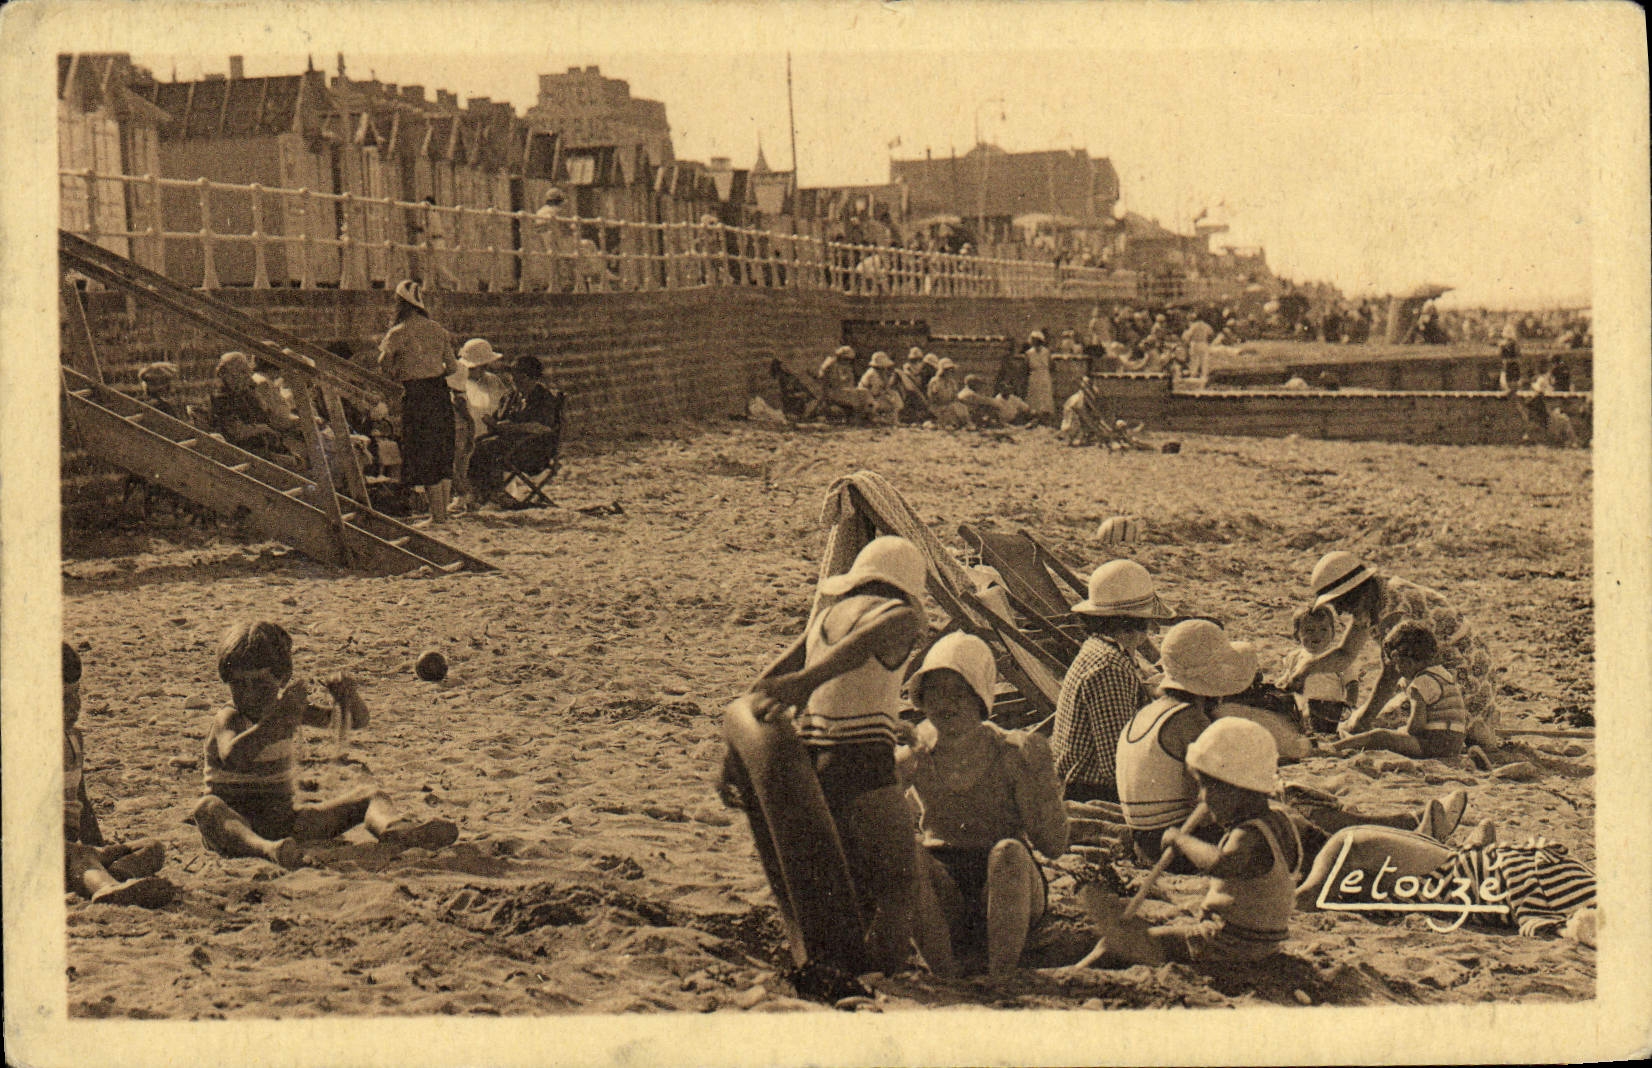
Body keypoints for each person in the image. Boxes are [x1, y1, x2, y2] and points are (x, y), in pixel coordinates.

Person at [740, 536, 930, 974]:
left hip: (817, 768)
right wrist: (808, 683)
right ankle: (889, 978)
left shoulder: (826, 618)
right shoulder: (899, 616)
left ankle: (846, 968)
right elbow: (871, 640)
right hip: (864, 763)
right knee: (899, 884)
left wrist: (738, 753)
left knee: (852, 881)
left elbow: (762, 686)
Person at [190, 621, 459, 870]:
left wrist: (347, 699)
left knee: (369, 796)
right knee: (207, 808)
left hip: (284, 822)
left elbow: (353, 722)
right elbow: (234, 755)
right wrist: (280, 719)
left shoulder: (288, 710)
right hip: (236, 822)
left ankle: (397, 830)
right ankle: (267, 850)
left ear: (281, 679)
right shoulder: (231, 717)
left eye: (259, 683)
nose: (248, 693)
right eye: (239, 684)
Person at [899, 634, 1069, 977]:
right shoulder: (914, 754)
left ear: (979, 698)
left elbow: (1053, 846)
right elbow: (875, 822)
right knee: (908, 853)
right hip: (947, 891)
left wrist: (1042, 783)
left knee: (1007, 852)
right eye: (935, 690)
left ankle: (1000, 977)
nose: (946, 702)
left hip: (1010, 887)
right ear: (921, 698)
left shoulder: (1009, 752)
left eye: (958, 692)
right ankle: (945, 975)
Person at [1085, 719, 1302, 967]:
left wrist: (1181, 840)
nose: (1200, 797)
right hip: (1262, 941)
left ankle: (1070, 977)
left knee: (1119, 945)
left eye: (1206, 787)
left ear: (1235, 789)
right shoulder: (1277, 821)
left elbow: (1220, 864)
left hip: (1229, 942)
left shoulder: (1247, 835)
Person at [1307, 551, 1500, 749]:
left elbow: (1391, 674)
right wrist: (1303, 672)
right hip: (1462, 672)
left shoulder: (1393, 609)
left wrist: (1363, 721)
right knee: (1358, 723)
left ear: (1357, 593)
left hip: (1461, 676)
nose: (1340, 611)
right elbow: (1345, 653)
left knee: (1379, 727)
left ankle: (1471, 726)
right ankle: (1475, 724)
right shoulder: (1377, 597)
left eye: (1340, 603)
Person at [1115, 619, 1258, 872]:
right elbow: (1210, 805)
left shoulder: (1146, 714)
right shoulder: (1190, 720)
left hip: (1143, 842)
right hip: (1175, 850)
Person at [62, 643, 175, 907]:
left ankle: (104, 876)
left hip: (70, 847)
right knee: (81, 855)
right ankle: (105, 887)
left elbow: (82, 801)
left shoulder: (75, 739)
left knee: (151, 849)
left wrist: (98, 846)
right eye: (63, 698)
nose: (75, 704)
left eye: (77, 693)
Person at [1052, 560, 1173, 804]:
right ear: (1136, 625)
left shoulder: (1102, 648)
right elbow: (1117, 764)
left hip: (1082, 783)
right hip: (1090, 792)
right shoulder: (1110, 668)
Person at [1321, 622, 1467, 760]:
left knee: (1380, 736)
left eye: (1396, 665)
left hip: (1433, 743)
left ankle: (1332, 748)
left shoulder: (1420, 683)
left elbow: (1416, 727)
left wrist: (1401, 733)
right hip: (1455, 742)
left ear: (1405, 662)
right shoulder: (1442, 674)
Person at [378, 280, 460, 525]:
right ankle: (442, 513)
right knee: (442, 449)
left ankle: (438, 517)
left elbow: (383, 363)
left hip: (416, 394)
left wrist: (401, 373)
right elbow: (453, 367)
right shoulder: (437, 329)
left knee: (424, 450)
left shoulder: (399, 331)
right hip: (439, 392)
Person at [467, 356, 562, 506]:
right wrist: (492, 423)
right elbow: (498, 419)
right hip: (511, 446)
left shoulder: (543, 398)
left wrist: (510, 427)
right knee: (471, 448)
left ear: (531, 377)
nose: (513, 379)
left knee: (487, 449)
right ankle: (482, 494)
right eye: (513, 375)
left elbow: (542, 428)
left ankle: (495, 493)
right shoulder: (511, 396)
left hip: (534, 450)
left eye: (518, 375)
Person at [1274, 604, 1360, 735]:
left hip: (1330, 710)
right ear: (1297, 635)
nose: (1317, 635)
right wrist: (1280, 684)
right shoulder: (1295, 657)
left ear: (1333, 633)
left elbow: (1351, 683)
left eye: (1324, 629)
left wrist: (1350, 704)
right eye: (1309, 630)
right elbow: (1288, 678)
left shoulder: (1337, 658)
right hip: (1302, 710)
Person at [447, 338, 511, 507]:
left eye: (484, 367)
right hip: (462, 431)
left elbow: (504, 402)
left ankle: (484, 493)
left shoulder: (492, 380)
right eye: (478, 367)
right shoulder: (455, 382)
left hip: (487, 431)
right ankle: (464, 493)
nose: (481, 371)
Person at [209, 351, 297, 463]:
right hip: (244, 452)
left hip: (264, 445)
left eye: (247, 371)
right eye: (241, 372)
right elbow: (236, 431)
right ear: (225, 374)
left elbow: (264, 416)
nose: (247, 376)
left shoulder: (245, 392)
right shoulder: (221, 398)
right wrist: (262, 429)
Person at [857, 351, 904, 426]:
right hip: (867, 399)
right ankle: (875, 418)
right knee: (885, 401)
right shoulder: (872, 374)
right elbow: (875, 392)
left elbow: (886, 388)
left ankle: (893, 419)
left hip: (876, 397)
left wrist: (890, 393)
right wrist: (887, 396)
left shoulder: (881, 374)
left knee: (895, 395)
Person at [925, 358, 969, 429]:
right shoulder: (935, 382)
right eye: (947, 370)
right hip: (937, 407)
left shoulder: (952, 382)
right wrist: (946, 406)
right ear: (942, 371)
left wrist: (954, 404)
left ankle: (965, 424)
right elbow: (932, 398)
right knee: (952, 409)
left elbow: (955, 398)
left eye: (951, 370)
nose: (949, 372)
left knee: (961, 407)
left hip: (949, 406)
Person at [1024, 331, 1055, 424]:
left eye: (1036, 340)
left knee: (1045, 394)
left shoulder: (1046, 352)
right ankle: (1035, 416)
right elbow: (1026, 366)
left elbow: (1052, 365)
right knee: (1034, 394)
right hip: (1034, 374)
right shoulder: (1029, 353)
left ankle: (1045, 416)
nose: (1034, 342)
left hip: (1044, 374)